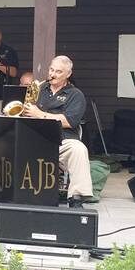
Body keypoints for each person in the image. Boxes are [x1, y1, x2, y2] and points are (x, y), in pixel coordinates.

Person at [21, 55, 93, 207]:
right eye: (51, 70)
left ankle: (76, 197)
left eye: (58, 72)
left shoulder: (75, 95)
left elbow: (69, 121)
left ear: (68, 74)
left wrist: (40, 115)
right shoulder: (39, 88)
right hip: (35, 137)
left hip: (62, 140)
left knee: (79, 149)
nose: (52, 74)